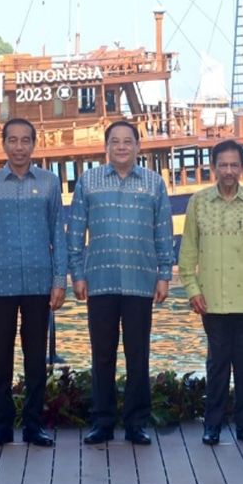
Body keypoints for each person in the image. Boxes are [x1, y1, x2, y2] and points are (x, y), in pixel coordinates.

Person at [68, 120, 173, 446]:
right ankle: (102, 422)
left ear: (138, 147)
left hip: (141, 280)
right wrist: (77, 273)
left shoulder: (154, 184)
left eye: (128, 141)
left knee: (138, 355)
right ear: (107, 146)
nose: (122, 147)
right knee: (102, 355)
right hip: (99, 280)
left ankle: (136, 423)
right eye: (116, 141)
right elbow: (75, 231)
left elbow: (163, 231)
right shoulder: (88, 181)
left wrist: (164, 274)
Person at [0, 118, 67, 449]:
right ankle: (1, 426)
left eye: (25, 140)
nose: (19, 147)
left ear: (34, 144)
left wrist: (60, 280)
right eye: (12, 140)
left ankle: (33, 425)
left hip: (40, 283)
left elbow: (58, 232)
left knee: (35, 358)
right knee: (1, 358)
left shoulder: (51, 183)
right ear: (4, 144)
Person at [179, 140, 243, 446]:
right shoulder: (198, 203)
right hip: (212, 300)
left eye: (235, 165)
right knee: (217, 364)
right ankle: (213, 425)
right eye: (223, 165)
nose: (229, 171)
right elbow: (188, 251)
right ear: (213, 168)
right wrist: (192, 289)